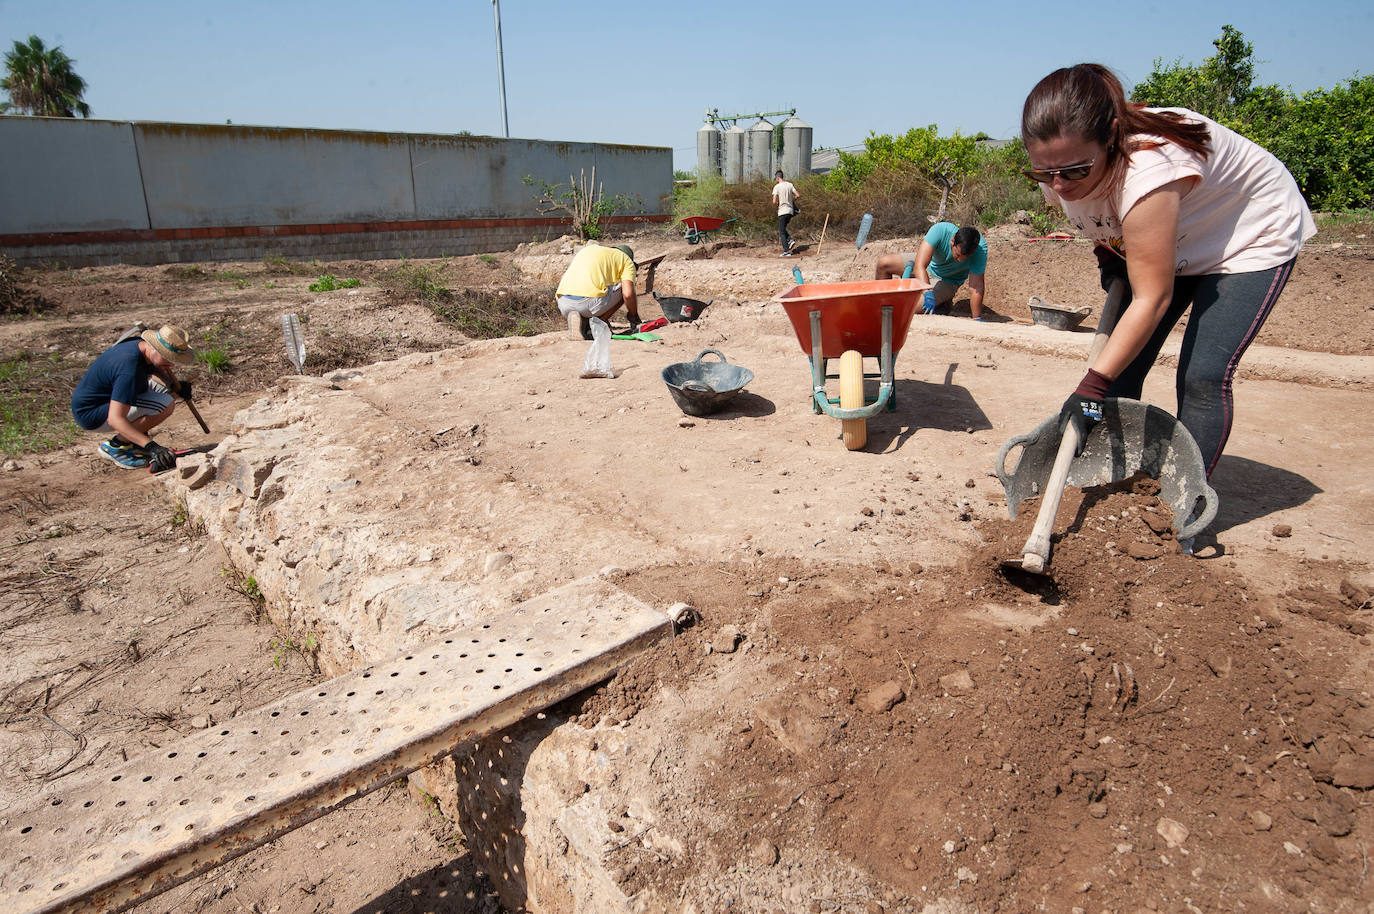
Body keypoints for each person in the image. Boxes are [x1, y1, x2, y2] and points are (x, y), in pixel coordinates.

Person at [1021, 63, 1315, 480]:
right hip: (1171, 237)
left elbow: (1152, 297)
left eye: (1074, 171)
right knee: (1120, 365)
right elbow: (1098, 217)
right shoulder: (1059, 168)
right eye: (1044, 171)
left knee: (1201, 377)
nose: (1059, 185)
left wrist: (1090, 387)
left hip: (1246, 237)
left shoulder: (1148, 169)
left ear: (1111, 137)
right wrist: (1109, 254)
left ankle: (1186, 500)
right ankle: (1115, 481)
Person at [71, 323, 195, 471]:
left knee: (165, 390)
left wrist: (175, 387)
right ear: (154, 348)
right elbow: (115, 419)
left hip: (106, 397)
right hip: (92, 414)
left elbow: (154, 371)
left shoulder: (139, 345)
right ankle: (116, 446)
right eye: (167, 358)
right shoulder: (129, 369)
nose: (171, 365)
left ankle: (135, 442)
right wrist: (151, 446)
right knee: (166, 403)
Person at [555, 243, 641, 379]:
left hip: (563, 302)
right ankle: (598, 321)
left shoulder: (590, 250)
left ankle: (582, 320)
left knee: (597, 288)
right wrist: (633, 315)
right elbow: (628, 294)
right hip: (587, 304)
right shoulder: (626, 261)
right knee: (624, 289)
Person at [874, 223, 988, 319]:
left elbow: (976, 287)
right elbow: (920, 265)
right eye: (958, 255)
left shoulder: (980, 250)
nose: (960, 260)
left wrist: (977, 318)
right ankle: (880, 305)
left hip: (948, 281)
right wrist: (928, 292)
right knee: (884, 264)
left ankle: (942, 305)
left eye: (965, 258)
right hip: (927, 266)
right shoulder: (940, 230)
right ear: (953, 240)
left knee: (910, 307)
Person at [771, 170, 800, 257]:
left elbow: (774, 201)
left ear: (777, 177)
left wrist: (778, 203)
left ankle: (786, 251)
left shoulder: (777, 187)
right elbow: (798, 195)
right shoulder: (790, 185)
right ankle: (790, 241)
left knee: (781, 232)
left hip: (782, 211)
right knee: (783, 228)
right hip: (790, 211)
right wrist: (792, 200)